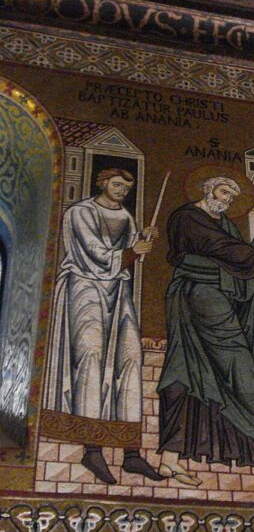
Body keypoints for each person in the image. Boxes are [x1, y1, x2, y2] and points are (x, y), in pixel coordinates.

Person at [156, 176, 254, 493]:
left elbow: (236, 261)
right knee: (221, 369)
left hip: (215, 300)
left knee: (192, 372)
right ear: (207, 188)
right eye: (224, 191)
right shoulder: (188, 217)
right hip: (197, 298)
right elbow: (228, 254)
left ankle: (171, 461)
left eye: (233, 194)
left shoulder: (224, 223)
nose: (228, 198)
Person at [44, 168, 161, 485]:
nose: (122, 189)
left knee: (131, 358)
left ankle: (131, 454)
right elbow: (93, 253)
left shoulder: (125, 215)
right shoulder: (80, 212)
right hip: (85, 288)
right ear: (103, 183)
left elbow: (127, 256)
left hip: (117, 291)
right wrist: (131, 251)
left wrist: (141, 242)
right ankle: (91, 448)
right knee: (91, 356)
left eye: (127, 186)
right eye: (117, 184)